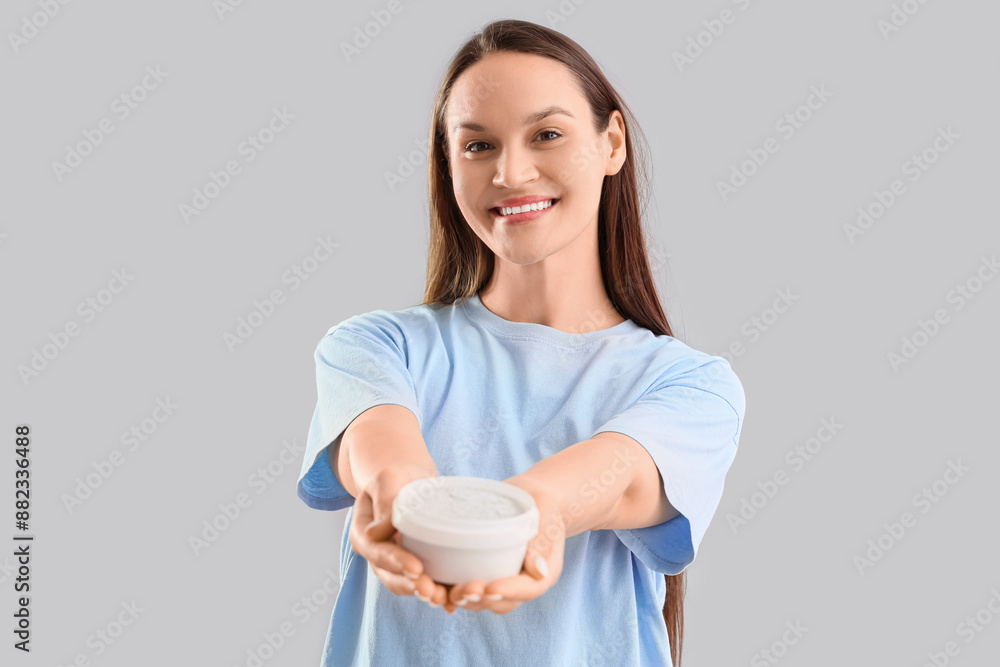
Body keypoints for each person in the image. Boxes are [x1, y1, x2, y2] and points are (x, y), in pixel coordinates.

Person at [297, 18, 746, 666]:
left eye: (547, 134)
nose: (511, 172)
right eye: (478, 145)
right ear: (448, 164)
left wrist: (537, 514)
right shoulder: (374, 347)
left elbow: (613, 482)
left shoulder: (691, 387)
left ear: (612, 142)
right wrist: (398, 502)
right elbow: (384, 459)